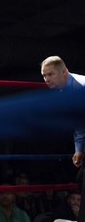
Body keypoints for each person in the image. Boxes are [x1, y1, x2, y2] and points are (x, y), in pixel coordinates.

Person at [40, 55, 85, 220]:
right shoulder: (67, 90)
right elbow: (80, 123)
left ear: (64, 72)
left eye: (50, 74)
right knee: (81, 177)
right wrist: (79, 150)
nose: (46, 79)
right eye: (44, 75)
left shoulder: (80, 87)